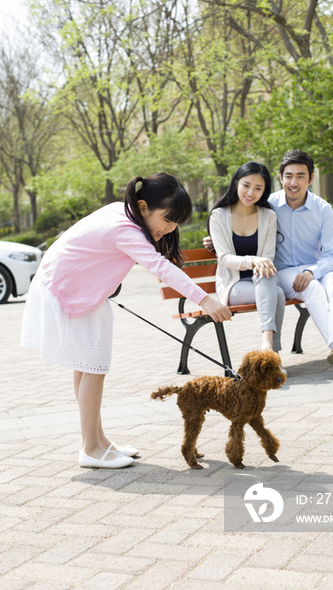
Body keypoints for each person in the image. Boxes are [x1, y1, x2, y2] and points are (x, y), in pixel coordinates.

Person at [21, 173, 232, 469]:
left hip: (70, 288)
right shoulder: (126, 229)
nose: (169, 228)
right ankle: (90, 448)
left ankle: (98, 441)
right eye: (167, 220)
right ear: (144, 206)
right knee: (93, 366)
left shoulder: (123, 212)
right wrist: (205, 299)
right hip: (66, 291)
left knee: (87, 366)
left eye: (175, 223)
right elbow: (160, 267)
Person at [205, 151, 333, 376]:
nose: (294, 182)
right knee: (309, 288)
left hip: (312, 270)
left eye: (301, 176)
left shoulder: (322, 209)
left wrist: (311, 270)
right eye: (289, 176)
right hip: (280, 273)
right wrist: (214, 240)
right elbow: (238, 236)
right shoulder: (268, 204)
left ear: (311, 178)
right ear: (281, 177)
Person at [208, 162, 285, 353]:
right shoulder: (218, 215)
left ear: (264, 191)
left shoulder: (268, 216)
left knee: (269, 280)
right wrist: (253, 260)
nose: (251, 192)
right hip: (233, 284)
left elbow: (267, 257)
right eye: (246, 185)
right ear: (236, 184)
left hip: (261, 280)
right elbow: (224, 258)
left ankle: (267, 345)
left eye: (258, 188)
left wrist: (259, 263)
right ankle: (272, 351)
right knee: (277, 293)